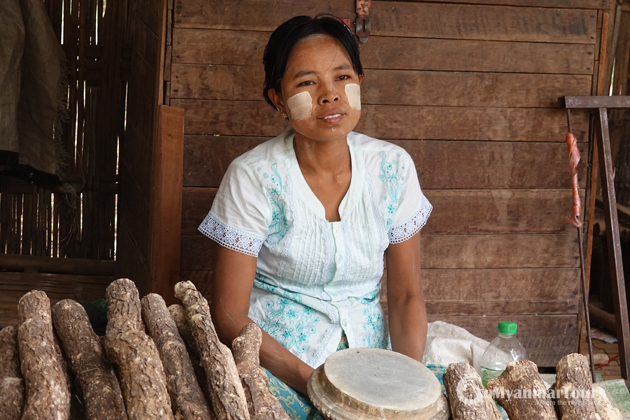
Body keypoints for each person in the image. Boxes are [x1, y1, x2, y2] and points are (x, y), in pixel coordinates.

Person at [198, 14, 432, 418]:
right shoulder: (254, 177)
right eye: (307, 82)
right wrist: (320, 388)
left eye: (342, 77)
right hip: (280, 364)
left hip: (368, 359)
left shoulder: (392, 168)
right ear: (277, 98)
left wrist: (405, 386)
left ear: (359, 80)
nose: (330, 95)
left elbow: (406, 295)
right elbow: (230, 316)